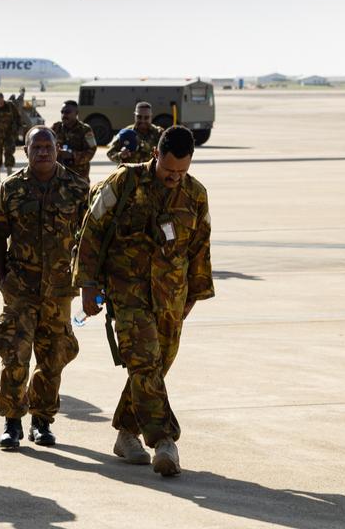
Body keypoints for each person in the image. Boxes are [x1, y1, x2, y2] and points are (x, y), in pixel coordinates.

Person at [74, 126, 213, 477]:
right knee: (145, 363)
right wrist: (87, 285)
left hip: (172, 295)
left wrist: (194, 295)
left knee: (155, 366)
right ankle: (163, 441)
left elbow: (200, 247)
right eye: (169, 172)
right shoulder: (124, 182)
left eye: (182, 172)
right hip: (128, 291)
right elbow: (91, 231)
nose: (175, 178)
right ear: (155, 156)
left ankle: (125, 432)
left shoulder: (195, 194)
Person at [0, 126, 87, 450]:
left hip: (59, 290)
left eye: (48, 146)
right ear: (26, 150)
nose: (43, 152)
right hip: (21, 289)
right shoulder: (13, 188)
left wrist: (88, 281)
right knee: (15, 355)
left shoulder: (76, 188)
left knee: (54, 357)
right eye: (36, 147)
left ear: (57, 148)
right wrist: (3, 279)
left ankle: (42, 421)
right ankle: (12, 422)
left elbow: (90, 239)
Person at [52, 100, 98, 183]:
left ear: (76, 113)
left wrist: (73, 155)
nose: (64, 115)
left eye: (67, 112)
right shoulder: (56, 127)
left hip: (78, 176)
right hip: (58, 175)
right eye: (62, 112)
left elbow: (91, 150)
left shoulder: (85, 130)